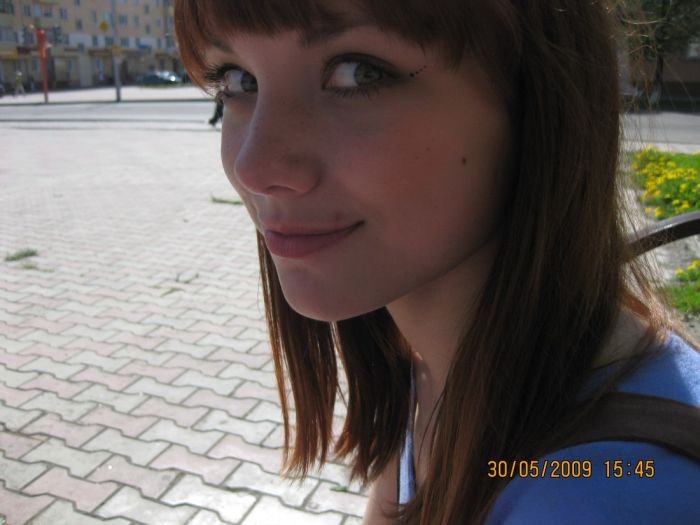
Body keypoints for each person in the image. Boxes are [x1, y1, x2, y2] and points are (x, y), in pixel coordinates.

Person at [173, 1, 700, 523]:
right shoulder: (428, 363)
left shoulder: (606, 498)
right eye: (237, 80)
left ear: (536, 99)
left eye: (358, 72)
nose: (254, 167)